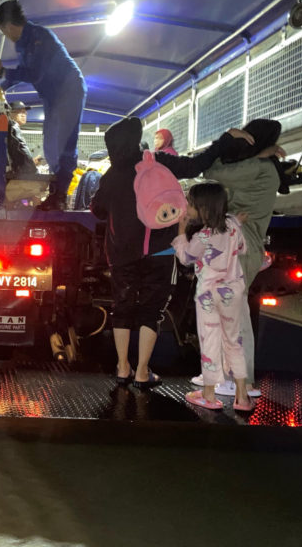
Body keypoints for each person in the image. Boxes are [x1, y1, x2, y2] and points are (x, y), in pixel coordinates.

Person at [90, 116, 253, 389]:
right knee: (151, 312)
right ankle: (142, 371)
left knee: (122, 309)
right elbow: (196, 165)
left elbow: (97, 210)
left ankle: (122, 367)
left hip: (122, 254)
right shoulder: (159, 162)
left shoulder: (112, 175)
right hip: (162, 252)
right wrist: (226, 139)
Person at [196, 118, 286, 398]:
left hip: (240, 246)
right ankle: (227, 375)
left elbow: (211, 170)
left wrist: (226, 140)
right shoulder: (262, 165)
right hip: (240, 245)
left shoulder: (259, 168)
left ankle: (240, 381)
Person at [0, 0, 87, 210]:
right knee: (50, 145)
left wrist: (3, 71)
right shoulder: (23, 44)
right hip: (53, 97)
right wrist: (2, 88)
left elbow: (36, 73)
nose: (6, 36)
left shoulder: (39, 37)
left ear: (7, 26)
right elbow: (26, 71)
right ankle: (57, 192)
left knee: (64, 143)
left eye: (4, 32)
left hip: (69, 90)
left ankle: (60, 195)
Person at [172, 182, 254, 410]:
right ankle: (242, 396)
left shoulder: (203, 236)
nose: (187, 208)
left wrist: (180, 233)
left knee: (210, 340)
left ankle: (209, 395)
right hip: (233, 293)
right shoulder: (233, 226)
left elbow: (186, 257)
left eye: (190, 204)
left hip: (208, 295)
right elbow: (242, 248)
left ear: (204, 208)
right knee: (233, 341)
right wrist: (237, 221)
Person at [6, 101, 39, 177]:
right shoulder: (14, 127)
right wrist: (32, 168)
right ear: (10, 114)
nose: (24, 115)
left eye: (24, 112)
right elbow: (22, 148)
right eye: (19, 112)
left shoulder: (10, 127)